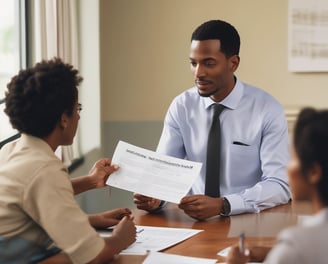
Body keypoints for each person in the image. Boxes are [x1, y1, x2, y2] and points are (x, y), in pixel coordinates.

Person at [134, 19, 291, 220]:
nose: (198, 73)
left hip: (250, 220)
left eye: (208, 63)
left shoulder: (267, 109)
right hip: (193, 223)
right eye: (193, 63)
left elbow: (280, 185)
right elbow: (164, 173)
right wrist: (155, 198)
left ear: (233, 63)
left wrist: (224, 204)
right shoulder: (181, 106)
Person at [0, 58, 136, 263]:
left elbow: (32, 201)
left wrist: (90, 218)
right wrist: (120, 239)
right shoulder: (45, 169)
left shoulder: (12, 149)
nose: (79, 117)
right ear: (64, 118)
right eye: (77, 109)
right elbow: (94, 255)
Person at [227, 107, 328, 264]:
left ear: (314, 172)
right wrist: (275, 252)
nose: (287, 167)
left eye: (293, 158)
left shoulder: (296, 245)